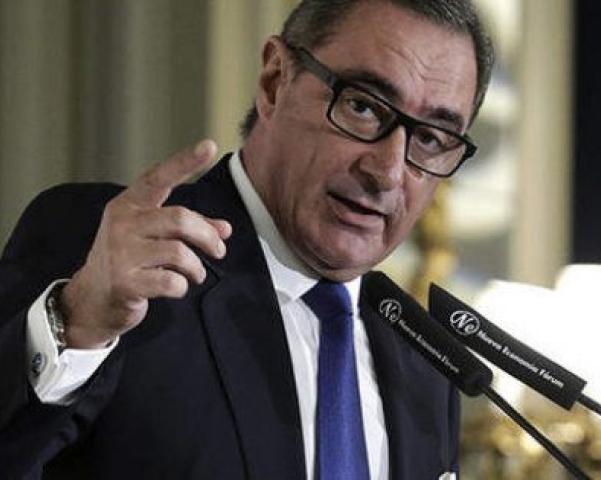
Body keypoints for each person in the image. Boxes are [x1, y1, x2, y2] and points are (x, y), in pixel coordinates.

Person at [0, 0, 492, 478]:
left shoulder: (427, 368)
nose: (387, 172)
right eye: (362, 106)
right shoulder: (111, 254)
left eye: (430, 138)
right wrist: (78, 324)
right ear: (275, 81)